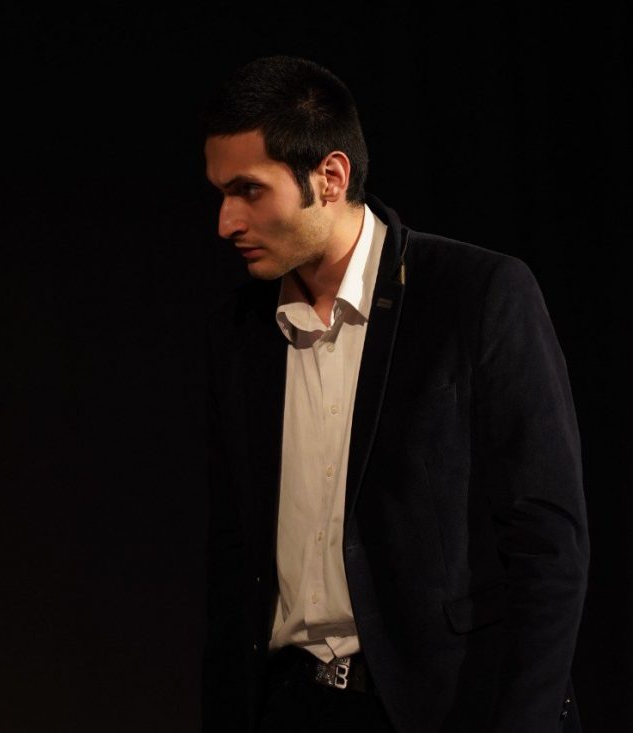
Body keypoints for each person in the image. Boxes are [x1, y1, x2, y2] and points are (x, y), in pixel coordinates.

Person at [200, 56, 588, 731]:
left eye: (249, 191)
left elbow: (548, 542)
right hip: (291, 706)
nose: (226, 221)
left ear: (330, 177)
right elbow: (234, 558)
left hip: (445, 708)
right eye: (220, 194)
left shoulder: (476, 294)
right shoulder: (239, 331)